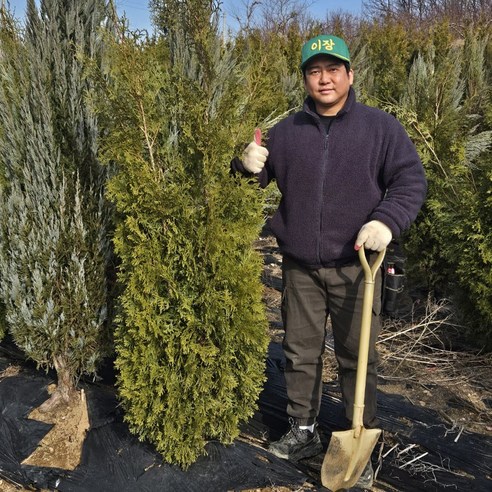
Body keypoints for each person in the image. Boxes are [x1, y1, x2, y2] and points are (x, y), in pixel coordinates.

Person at [231, 34, 427, 490]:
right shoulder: (286, 132)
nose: (325, 78)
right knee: (299, 353)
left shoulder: (381, 129)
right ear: (305, 79)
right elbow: (246, 188)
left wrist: (386, 222)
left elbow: (409, 181)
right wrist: (243, 165)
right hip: (299, 266)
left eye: (333, 69)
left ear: (349, 75)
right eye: (315, 70)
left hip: (356, 267)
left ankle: (361, 434)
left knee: (358, 357)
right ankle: (302, 430)